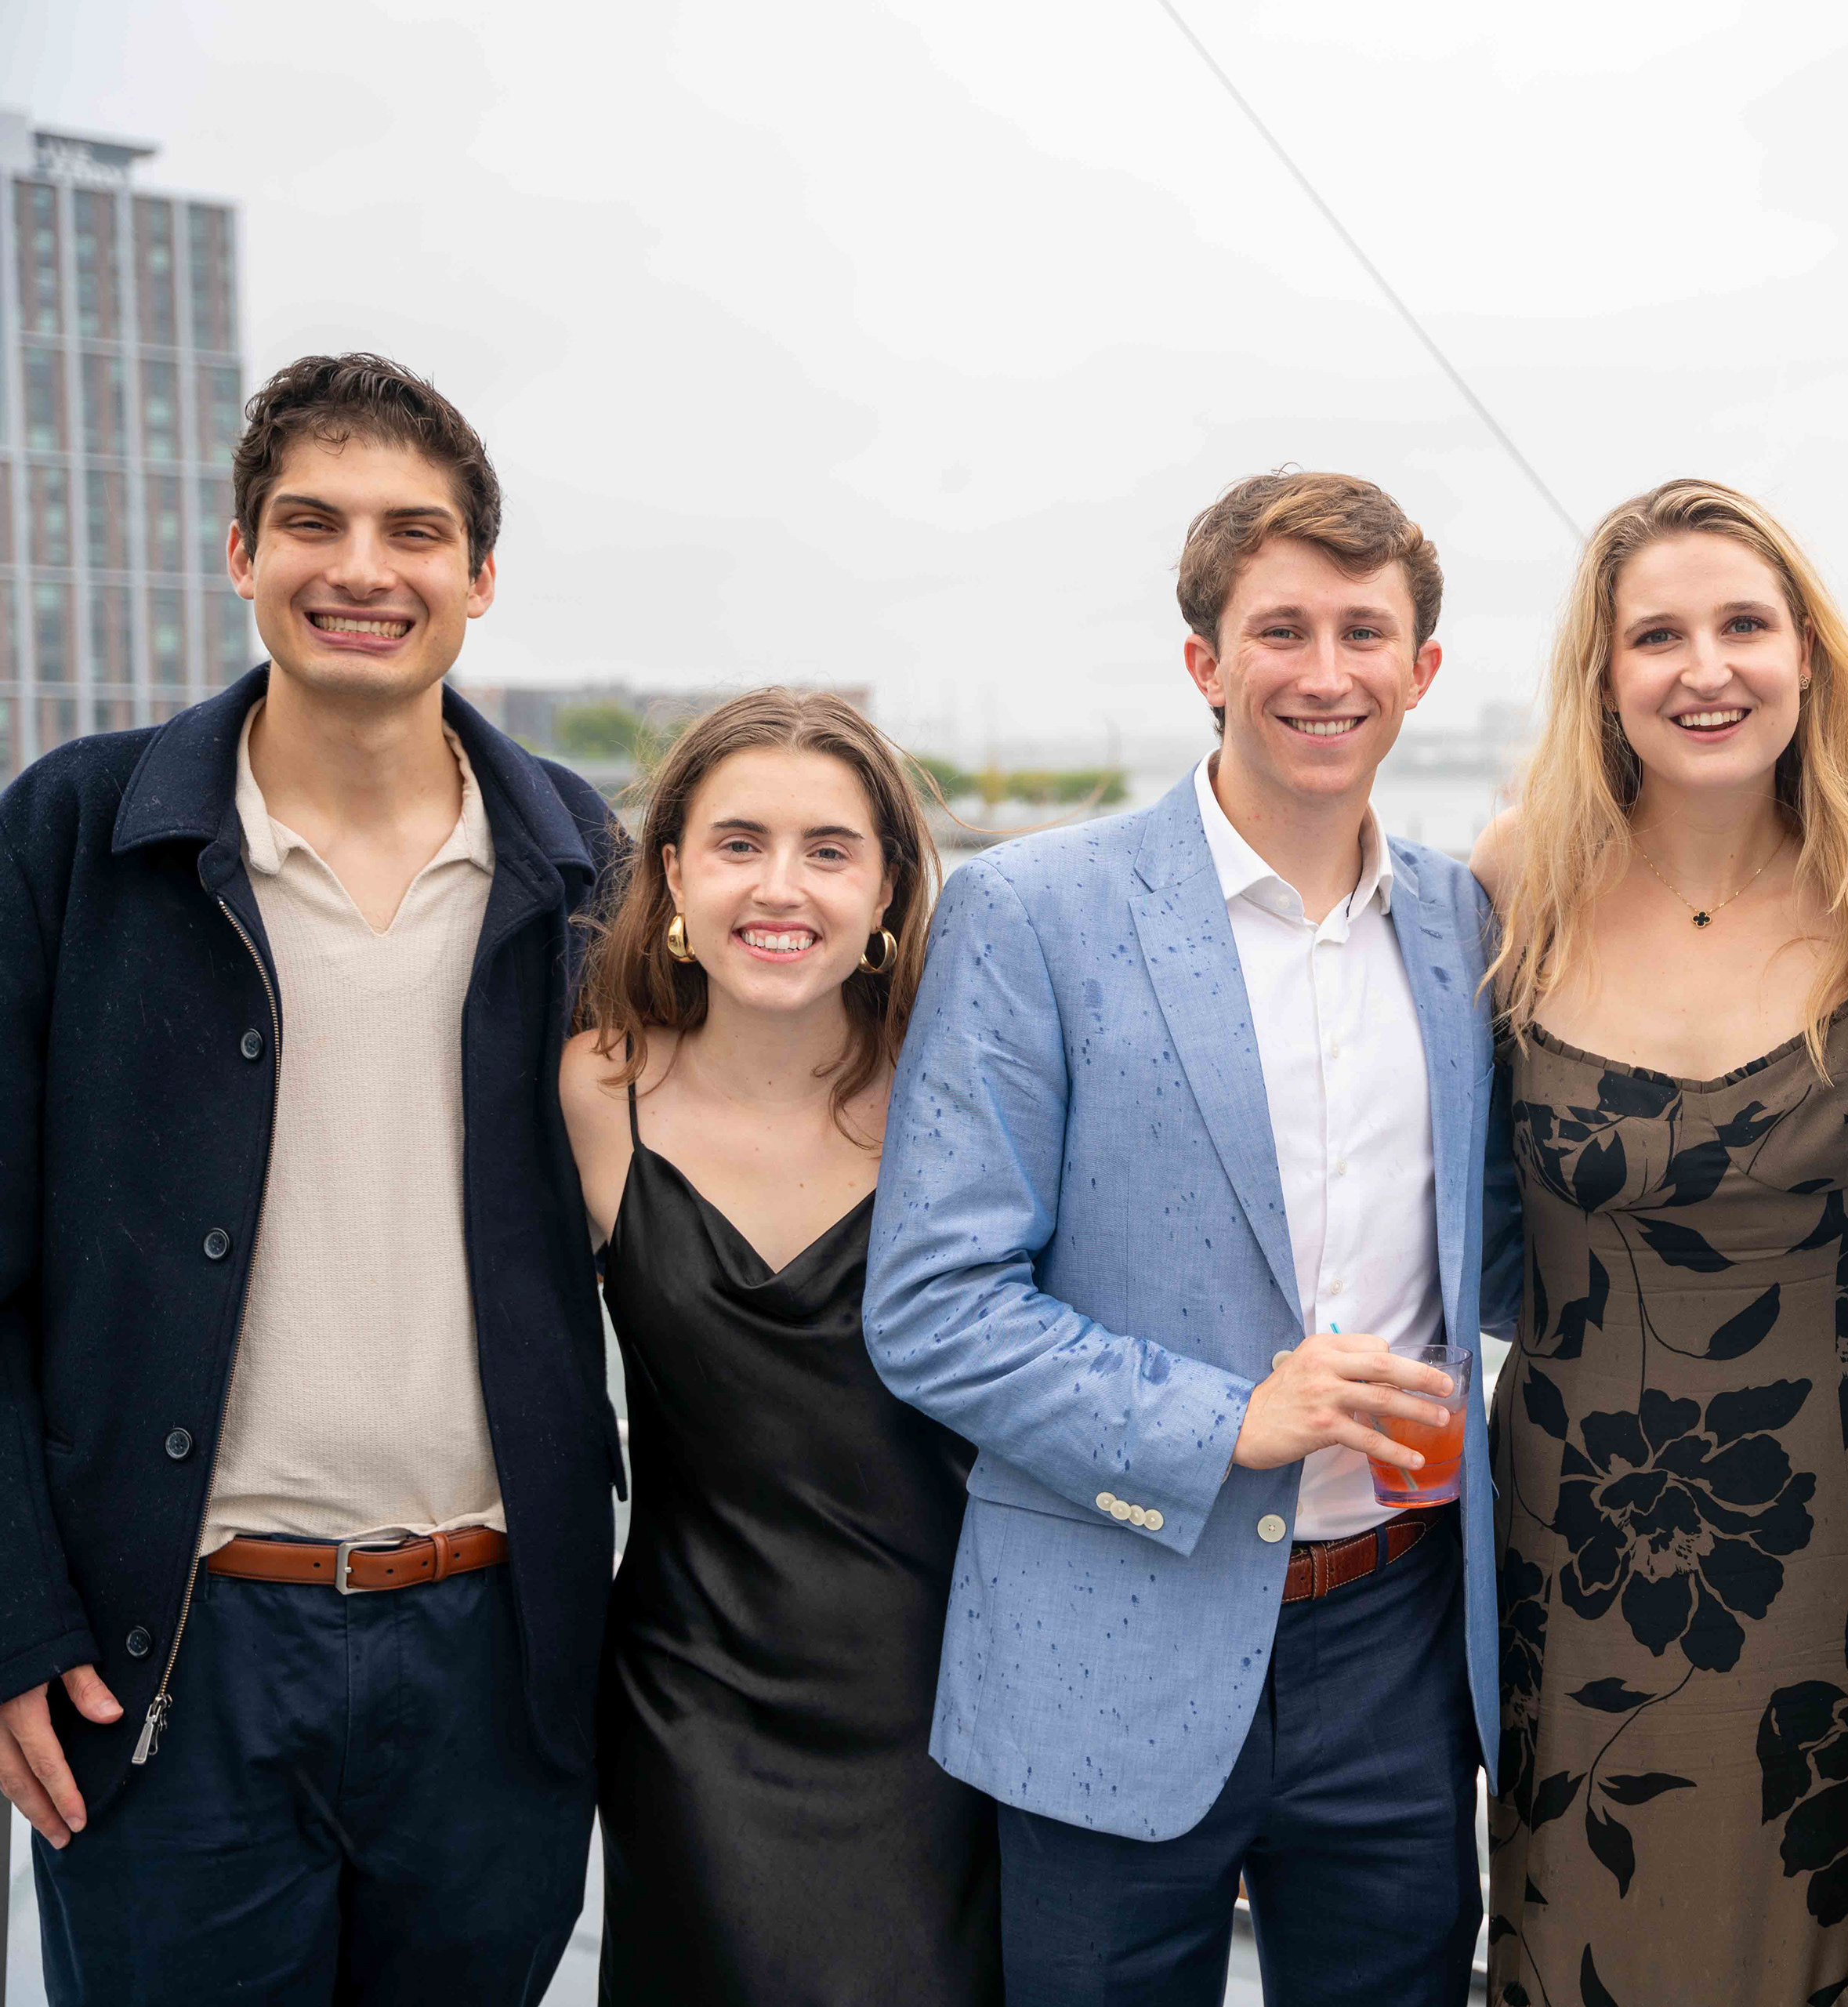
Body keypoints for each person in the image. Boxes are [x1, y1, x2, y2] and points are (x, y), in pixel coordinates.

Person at [0, 353, 618, 1999]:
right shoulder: (74, 835)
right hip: (170, 1658)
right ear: (240, 553)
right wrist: (13, 1619)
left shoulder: (582, 863)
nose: (362, 568)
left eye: (414, 531)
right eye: (311, 522)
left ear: (479, 578)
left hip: (497, 1658)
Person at [864, 469, 1509, 2007]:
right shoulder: (1031, 912)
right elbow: (936, 1306)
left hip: (1402, 1647)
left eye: (1366, 633)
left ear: (1422, 671)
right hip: (1109, 1629)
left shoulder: (1467, 923)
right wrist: (1225, 1423)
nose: (1326, 671)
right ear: (1205, 663)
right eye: (1281, 630)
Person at [1473, 479, 1848, 2007]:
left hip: (1847, 1519)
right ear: (1602, 674)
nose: (1706, 668)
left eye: (1745, 624)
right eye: (1658, 635)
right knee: (1591, 1922)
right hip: (1571, 1534)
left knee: (1833, 1926)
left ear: (1807, 652)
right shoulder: (1513, 885)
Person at [560, 690, 1000, 2004]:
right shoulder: (594, 1092)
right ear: (672, 872)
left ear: (887, 890)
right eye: (740, 842)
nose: (780, 887)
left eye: (828, 849)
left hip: (943, 1699)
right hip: (691, 1704)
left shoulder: (968, 1096)